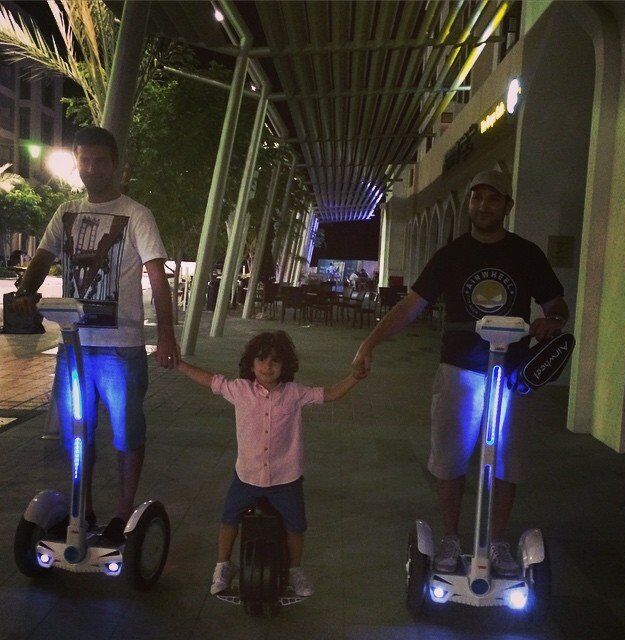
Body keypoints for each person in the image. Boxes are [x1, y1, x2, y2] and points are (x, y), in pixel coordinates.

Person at [352, 170, 569, 577]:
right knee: (449, 458)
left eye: (492, 199)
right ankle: (450, 537)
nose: (483, 205)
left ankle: (498, 541)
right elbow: (411, 306)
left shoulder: (526, 254)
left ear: (507, 206)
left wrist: (551, 321)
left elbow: (556, 303)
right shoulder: (451, 255)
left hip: (511, 373)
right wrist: (370, 341)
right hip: (459, 370)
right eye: (476, 197)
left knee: (506, 461)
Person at [12, 126, 180, 544]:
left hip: (121, 349)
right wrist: (26, 292)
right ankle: (81, 510)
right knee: (77, 432)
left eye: (100, 161)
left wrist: (167, 335)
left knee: (126, 433)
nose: (91, 169)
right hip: (74, 347)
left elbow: (157, 277)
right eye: (84, 161)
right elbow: (43, 257)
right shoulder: (66, 211)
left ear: (115, 164)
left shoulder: (137, 214)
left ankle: (123, 515)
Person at [175, 330, 366, 597]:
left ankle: (295, 569)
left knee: (296, 526)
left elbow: (330, 394)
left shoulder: (294, 393)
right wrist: (179, 364)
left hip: (286, 479)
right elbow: (210, 381)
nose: (267, 366)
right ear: (251, 364)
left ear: (285, 365)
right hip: (247, 476)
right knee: (228, 519)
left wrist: (354, 378)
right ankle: (223, 564)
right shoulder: (240, 390)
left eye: (275, 360)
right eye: (261, 359)